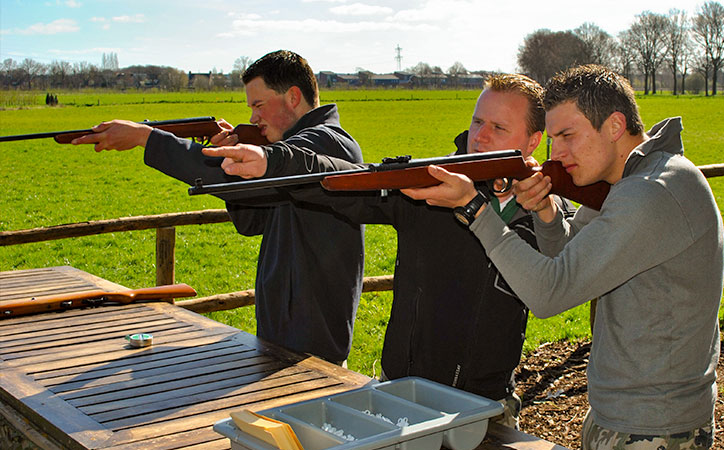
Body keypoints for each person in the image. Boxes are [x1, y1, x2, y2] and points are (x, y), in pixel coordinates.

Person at [401, 64, 723, 450]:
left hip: (651, 426)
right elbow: (571, 257)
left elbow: (550, 293)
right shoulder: (629, 179)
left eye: (568, 136)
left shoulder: (649, 194)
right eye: (552, 139)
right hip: (629, 413)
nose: (557, 153)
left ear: (614, 125)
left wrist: (474, 211)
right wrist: (547, 213)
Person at [202, 74, 574, 428]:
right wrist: (274, 162)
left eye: (499, 128)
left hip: (489, 406)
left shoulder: (547, 215)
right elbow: (348, 180)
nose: (480, 136)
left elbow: (564, 280)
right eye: (478, 122)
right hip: (401, 395)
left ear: (532, 141)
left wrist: (545, 209)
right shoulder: (428, 186)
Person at [72, 50, 365, 366]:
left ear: (293, 97)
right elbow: (251, 220)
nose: (254, 117)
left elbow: (262, 182)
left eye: (259, 105)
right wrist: (227, 155)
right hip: (284, 334)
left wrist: (147, 138)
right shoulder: (293, 147)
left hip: (314, 343)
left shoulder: (327, 143)